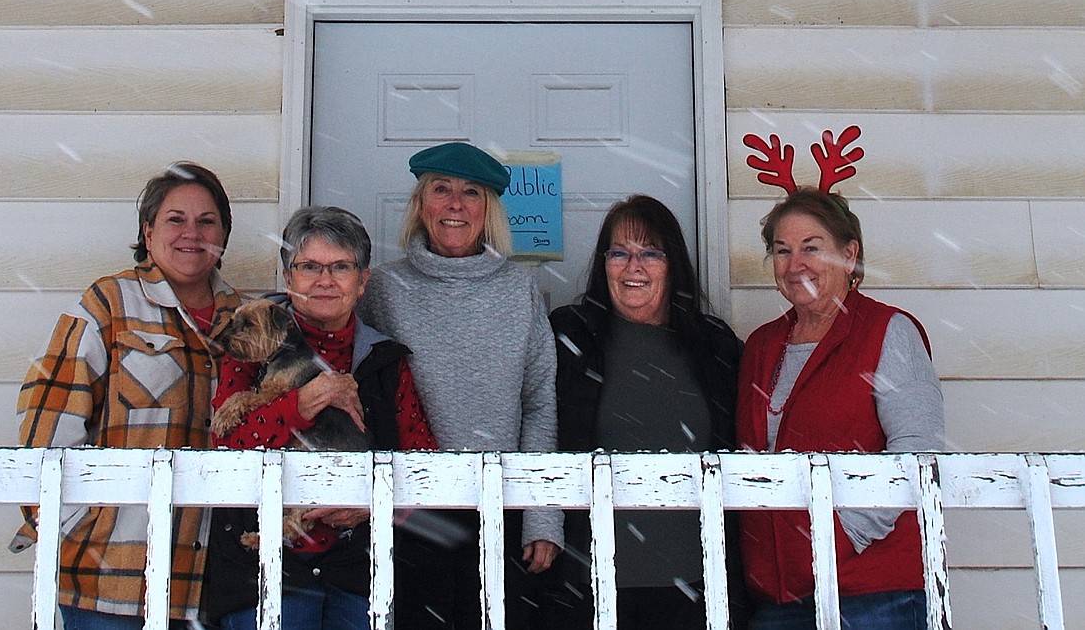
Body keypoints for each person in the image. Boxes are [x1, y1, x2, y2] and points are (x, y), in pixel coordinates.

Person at [14, 161, 241, 630]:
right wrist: (77, 526)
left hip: (208, 584)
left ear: (223, 235)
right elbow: (46, 427)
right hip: (109, 579)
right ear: (148, 229)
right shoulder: (109, 304)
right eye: (175, 219)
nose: (191, 234)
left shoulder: (243, 320)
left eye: (206, 221)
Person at [359, 142, 564, 630]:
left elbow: (539, 406)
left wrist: (541, 515)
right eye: (441, 189)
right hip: (409, 512)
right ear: (420, 204)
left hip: (499, 506)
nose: (455, 203)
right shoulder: (384, 290)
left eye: (471, 192)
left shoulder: (519, 291)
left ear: (488, 209)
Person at [204, 204, 438, 630]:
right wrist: (302, 403)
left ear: (363, 281)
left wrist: (370, 504)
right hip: (263, 571)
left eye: (341, 267)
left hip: (360, 572)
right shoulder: (251, 346)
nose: (325, 280)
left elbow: (423, 461)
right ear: (288, 277)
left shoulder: (384, 361)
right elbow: (225, 448)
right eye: (309, 266)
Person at [736, 188, 945, 630]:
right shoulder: (761, 346)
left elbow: (917, 452)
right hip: (778, 598)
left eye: (812, 248)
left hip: (871, 595)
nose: (796, 265)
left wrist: (841, 537)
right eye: (782, 250)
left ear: (850, 256)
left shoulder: (887, 331)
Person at [544, 195, 744, 630]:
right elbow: (535, 424)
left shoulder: (714, 345)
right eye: (620, 252)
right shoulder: (569, 335)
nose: (634, 266)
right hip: (591, 582)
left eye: (651, 252)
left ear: (673, 265)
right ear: (603, 264)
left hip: (696, 580)